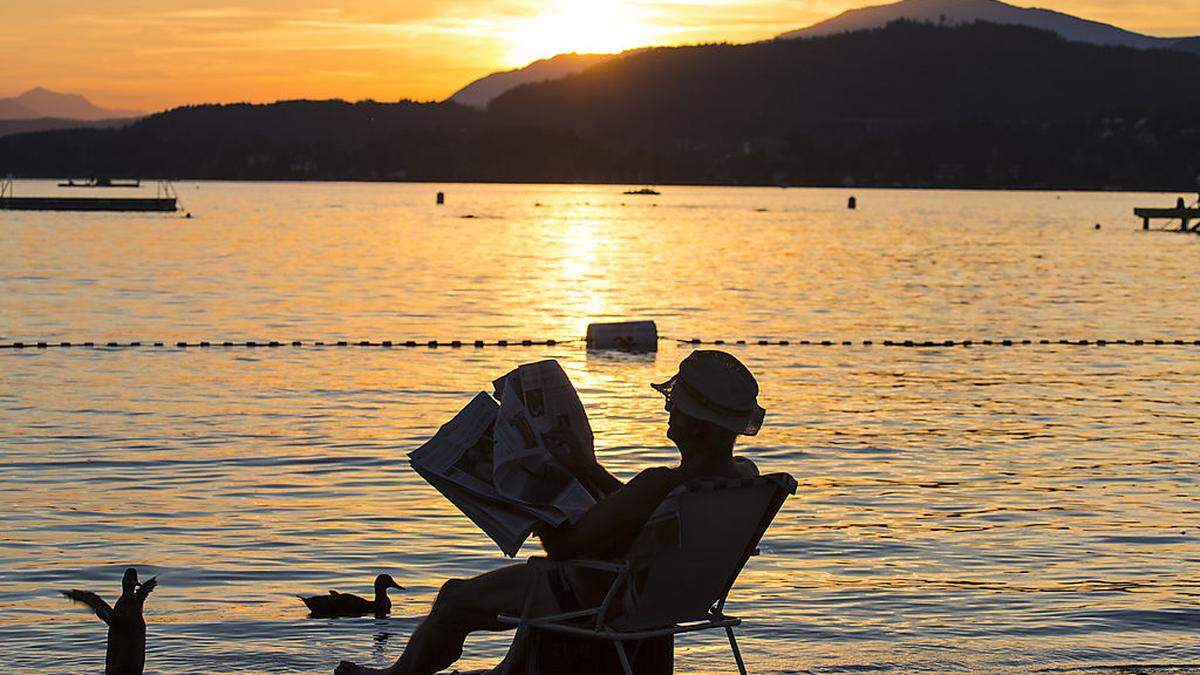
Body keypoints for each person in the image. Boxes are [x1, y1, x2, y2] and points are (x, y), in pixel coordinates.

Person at [335, 350, 765, 675]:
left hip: (595, 596)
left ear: (695, 421)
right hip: (660, 599)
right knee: (524, 576)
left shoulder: (660, 482)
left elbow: (564, 548)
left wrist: (530, 501)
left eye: (677, 403)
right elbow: (644, 514)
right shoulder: (740, 478)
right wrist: (586, 468)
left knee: (452, 599)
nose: (668, 408)